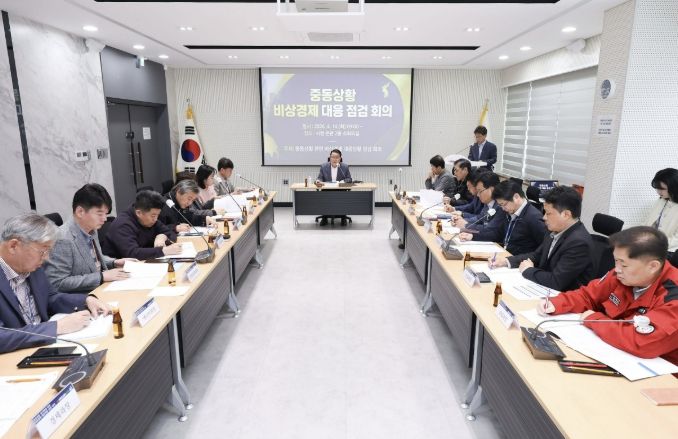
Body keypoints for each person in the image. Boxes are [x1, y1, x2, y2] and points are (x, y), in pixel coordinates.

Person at [538, 226, 678, 366]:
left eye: (624, 265)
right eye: (616, 261)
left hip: (658, 371)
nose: (617, 269)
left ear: (653, 266)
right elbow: (588, 296)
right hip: (616, 353)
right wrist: (557, 303)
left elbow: (642, 342)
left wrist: (594, 319)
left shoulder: (673, 296)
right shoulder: (623, 275)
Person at [0, 213, 111, 353]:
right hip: (15, 356)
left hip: (46, 347)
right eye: (43, 251)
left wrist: (86, 301)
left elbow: (50, 298)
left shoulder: (31, 267)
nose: (46, 258)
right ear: (13, 246)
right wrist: (57, 327)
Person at [490, 186, 595, 292]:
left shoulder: (579, 243)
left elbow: (556, 281)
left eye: (548, 213)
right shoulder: (554, 230)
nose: (544, 217)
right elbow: (537, 256)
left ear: (566, 214)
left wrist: (528, 270)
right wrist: (506, 261)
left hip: (561, 296)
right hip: (543, 289)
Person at [45, 184, 134, 293]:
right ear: (80, 212)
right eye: (100, 214)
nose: (105, 219)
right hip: (83, 298)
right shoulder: (62, 239)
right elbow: (57, 283)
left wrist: (114, 262)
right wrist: (101, 277)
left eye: (105, 214)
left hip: (101, 290)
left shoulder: (91, 229)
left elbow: (92, 260)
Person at [102, 190, 182, 260]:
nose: (156, 219)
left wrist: (162, 236)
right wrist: (163, 251)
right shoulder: (122, 224)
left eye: (158, 215)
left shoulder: (151, 219)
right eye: (153, 216)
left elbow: (172, 234)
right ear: (139, 213)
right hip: (120, 268)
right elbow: (132, 253)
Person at [490, 180, 547, 255]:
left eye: (504, 204)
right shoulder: (509, 212)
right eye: (500, 205)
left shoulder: (534, 218)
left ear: (516, 197)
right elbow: (498, 233)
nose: (503, 208)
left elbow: (543, 250)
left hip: (520, 260)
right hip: (505, 255)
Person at [456, 172, 508, 242]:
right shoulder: (488, 203)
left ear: (492, 189)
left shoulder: (501, 206)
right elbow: (479, 218)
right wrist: (462, 221)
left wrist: (466, 225)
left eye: (480, 191)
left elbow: (489, 230)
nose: (478, 195)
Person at [644, 168, 678, 254]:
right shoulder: (661, 200)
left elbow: (676, 239)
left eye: (662, 189)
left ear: (674, 187)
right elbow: (648, 222)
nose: (658, 192)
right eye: (657, 188)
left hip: (669, 251)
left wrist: (655, 245)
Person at [315, 149, 352, 226]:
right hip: (327, 190)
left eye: (337, 157)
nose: (334, 159)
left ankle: (343, 217)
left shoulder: (344, 167)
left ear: (340, 158)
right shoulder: (324, 166)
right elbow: (320, 178)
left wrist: (343, 181)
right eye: (332, 157)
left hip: (340, 190)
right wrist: (318, 181)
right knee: (323, 196)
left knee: (344, 197)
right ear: (330, 157)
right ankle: (324, 217)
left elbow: (349, 179)